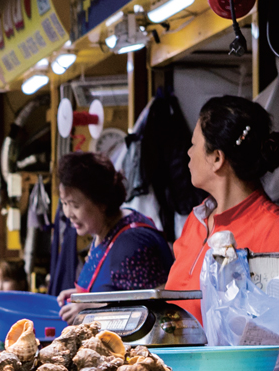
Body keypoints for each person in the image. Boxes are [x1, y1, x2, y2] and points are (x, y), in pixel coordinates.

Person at [165, 95, 279, 322]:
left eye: (194, 145)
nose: (188, 153)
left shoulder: (273, 230)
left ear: (217, 158)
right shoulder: (196, 219)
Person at [55, 152, 174, 323]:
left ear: (101, 203)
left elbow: (152, 309)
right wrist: (81, 299)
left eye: (75, 205)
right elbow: (114, 290)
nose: (68, 214)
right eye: (64, 203)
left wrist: (90, 307)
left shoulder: (133, 244)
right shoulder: (103, 231)